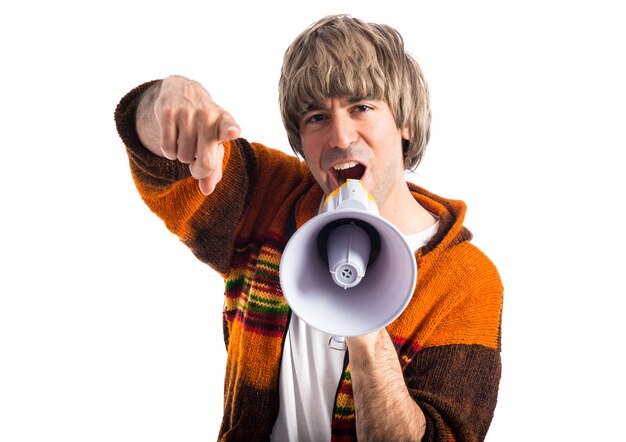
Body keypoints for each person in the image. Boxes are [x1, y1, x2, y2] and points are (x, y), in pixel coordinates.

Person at [114, 14, 503, 442]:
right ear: (299, 139)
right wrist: (163, 102)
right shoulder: (269, 198)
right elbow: (164, 168)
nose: (340, 136)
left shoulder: (466, 283)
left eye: (362, 107)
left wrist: (366, 320)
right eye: (317, 117)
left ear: (405, 122)